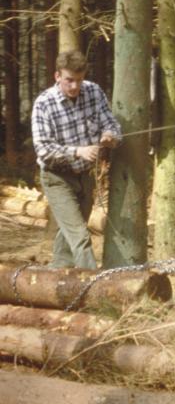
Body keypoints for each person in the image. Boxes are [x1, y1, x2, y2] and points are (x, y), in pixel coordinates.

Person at [31, 50, 122, 269]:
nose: (74, 86)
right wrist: (77, 151)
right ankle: (94, 291)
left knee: (70, 232)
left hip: (84, 176)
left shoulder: (93, 92)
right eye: (69, 80)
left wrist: (109, 136)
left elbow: (111, 124)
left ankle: (56, 280)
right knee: (80, 236)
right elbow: (43, 149)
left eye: (79, 80)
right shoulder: (44, 104)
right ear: (57, 76)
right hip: (57, 178)